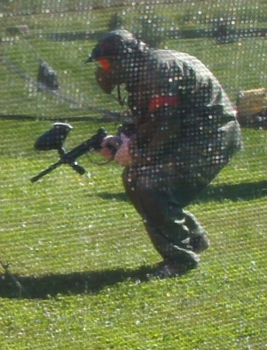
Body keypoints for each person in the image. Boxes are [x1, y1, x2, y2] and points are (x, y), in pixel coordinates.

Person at [87, 28, 242, 278]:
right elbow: (149, 119)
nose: (104, 70)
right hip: (191, 137)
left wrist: (134, 150)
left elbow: (165, 124)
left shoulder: (158, 70)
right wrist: (122, 140)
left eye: (106, 63)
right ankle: (193, 239)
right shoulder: (147, 69)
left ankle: (180, 260)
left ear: (124, 58)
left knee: (151, 184)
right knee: (135, 179)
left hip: (210, 138)